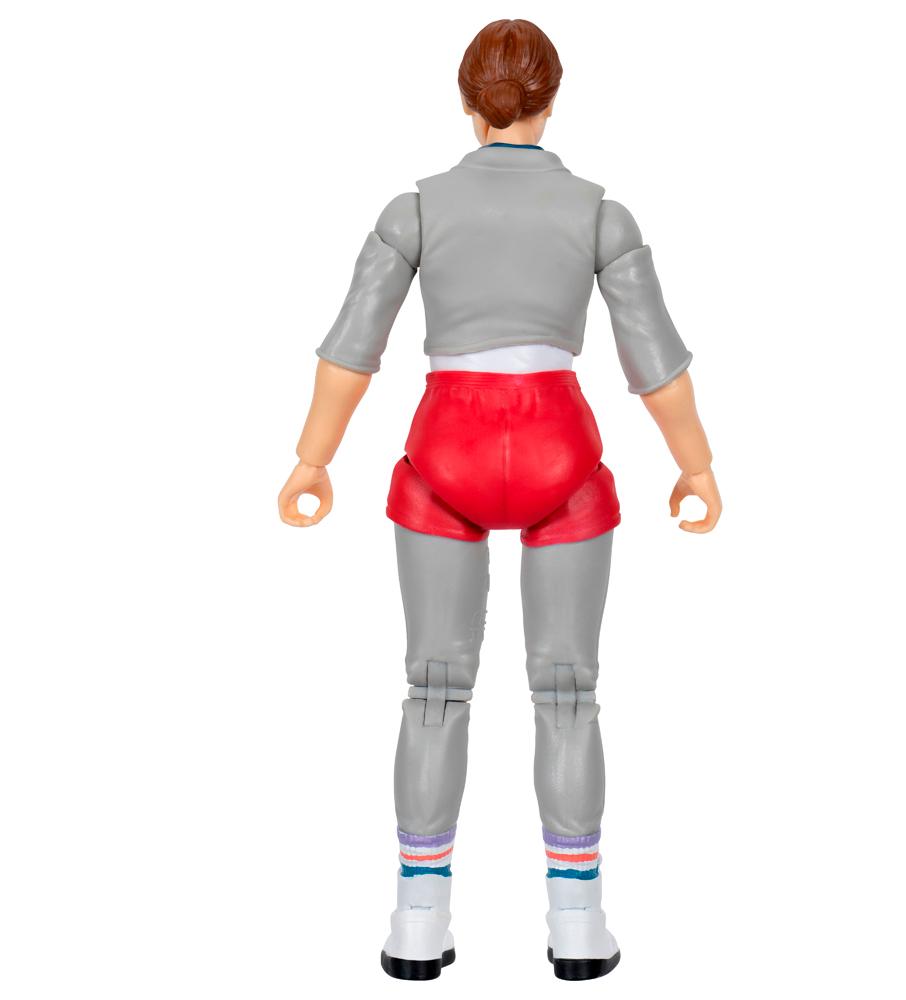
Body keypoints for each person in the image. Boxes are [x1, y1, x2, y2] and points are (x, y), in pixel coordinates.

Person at [277, 18, 722, 982]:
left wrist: (313, 460)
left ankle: (417, 919)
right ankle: (577, 923)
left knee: (435, 689)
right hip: (563, 449)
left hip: (447, 447)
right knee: (568, 691)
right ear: (551, 102)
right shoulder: (602, 215)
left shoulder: (415, 210)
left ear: (467, 105)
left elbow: (351, 350)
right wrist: (697, 466)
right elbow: (657, 365)